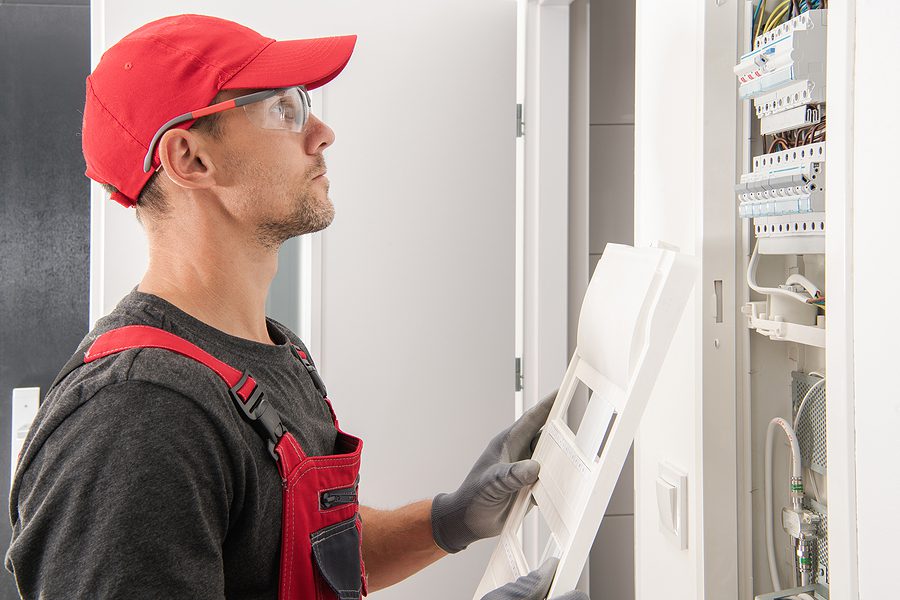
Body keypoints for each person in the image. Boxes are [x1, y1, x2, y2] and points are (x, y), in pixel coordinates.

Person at [7, 14, 591, 600]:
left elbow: (295, 555)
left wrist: (447, 522)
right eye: (283, 109)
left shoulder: (265, 347)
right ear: (190, 159)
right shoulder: (137, 417)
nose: (322, 133)